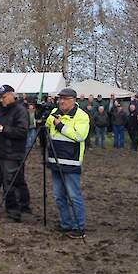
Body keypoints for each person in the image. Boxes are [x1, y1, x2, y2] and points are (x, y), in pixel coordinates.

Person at [45, 88, 90, 238]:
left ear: (73, 100)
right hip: (55, 160)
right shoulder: (54, 113)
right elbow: (46, 126)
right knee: (58, 196)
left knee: (74, 196)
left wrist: (60, 126)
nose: (61, 101)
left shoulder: (82, 116)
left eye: (65, 99)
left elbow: (79, 135)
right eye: (60, 99)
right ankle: (65, 224)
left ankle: (79, 227)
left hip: (71, 162)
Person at [0, 85, 30, 222]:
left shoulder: (21, 111)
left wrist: (1, 128)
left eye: (3, 97)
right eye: (0, 97)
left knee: (11, 185)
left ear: (11, 95)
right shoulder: (0, 111)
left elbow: (22, 132)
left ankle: (14, 212)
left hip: (13, 154)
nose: (1, 100)